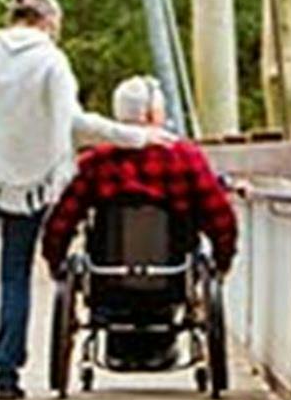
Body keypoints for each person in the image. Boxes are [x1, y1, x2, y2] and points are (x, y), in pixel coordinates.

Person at [0, 0, 159, 400]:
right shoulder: (52, 61)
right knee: (16, 273)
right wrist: (139, 138)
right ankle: (8, 376)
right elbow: (77, 124)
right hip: (30, 183)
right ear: (48, 21)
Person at [41, 74, 237, 367]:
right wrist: (222, 262)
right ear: (152, 113)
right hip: (172, 278)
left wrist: (56, 262)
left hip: (108, 279)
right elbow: (219, 217)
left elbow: (62, 220)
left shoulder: (95, 163)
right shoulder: (184, 157)